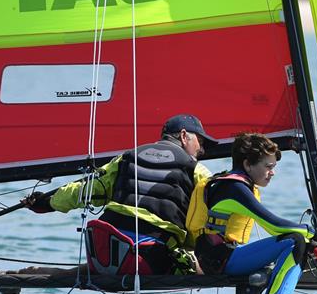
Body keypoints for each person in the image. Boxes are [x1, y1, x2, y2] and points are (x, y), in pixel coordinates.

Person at [25, 114, 214, 275]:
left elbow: (87, 189)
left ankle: (46, 273)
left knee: (117, 255)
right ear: (183, 136)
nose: (202, 149)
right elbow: (205, 222)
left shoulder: (126, 158)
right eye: (201, 141)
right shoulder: (198, 171)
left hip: (103, 252)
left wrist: (48, 203)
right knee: (199, 260)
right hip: (149, 260)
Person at [187, 132, 317, 294]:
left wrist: (313, 238)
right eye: (268, 166)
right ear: (248, 164)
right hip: (216, 260)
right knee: (295, 240)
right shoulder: (233, 188)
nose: (272, 172)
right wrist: (316, 232)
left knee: (303, 242)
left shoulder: (239, 185)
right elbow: (274, 226)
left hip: (229, 254)